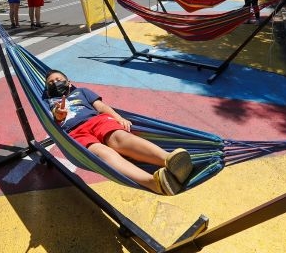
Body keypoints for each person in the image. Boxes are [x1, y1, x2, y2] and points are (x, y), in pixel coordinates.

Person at [45, 69, 193, 196]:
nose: (55, 83)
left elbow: (101, 107)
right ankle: (153, 183)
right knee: (103, 153)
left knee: (119, 138)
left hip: (97, 121)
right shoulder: (49, 102)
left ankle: (170, 160)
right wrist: (60, 113)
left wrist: (119, 118)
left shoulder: (81, 91)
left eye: (58, 79)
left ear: (68, 82)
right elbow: (56, 116)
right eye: (50, 83)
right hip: (75, 132)